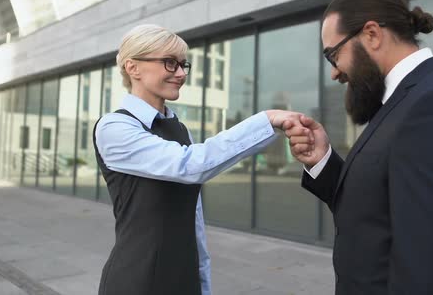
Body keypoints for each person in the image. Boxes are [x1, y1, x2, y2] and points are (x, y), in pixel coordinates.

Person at [284, 0, 433, 294]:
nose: (334, 72)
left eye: (333, 55)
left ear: (371, 34)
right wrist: (323, 161)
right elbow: (375, 210)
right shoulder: (404, 102)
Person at [93, 24, 311, 295]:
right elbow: (191, 165)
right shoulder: (114, 127)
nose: (182, 73)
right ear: (133, 67)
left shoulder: (179, 128)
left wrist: (201, 281)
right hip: (137, 281)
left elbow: (193, 219)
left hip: (183, 278)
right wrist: (266, 120)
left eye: (183, 64)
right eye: (169, 63)